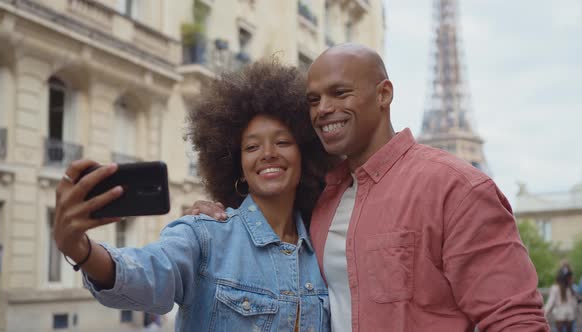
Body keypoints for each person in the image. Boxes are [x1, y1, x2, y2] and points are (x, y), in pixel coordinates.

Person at [188, 43, 549, 331]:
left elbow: (514, 319)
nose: (323, 109)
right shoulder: (321, 198)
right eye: (313, 100)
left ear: (384, 94)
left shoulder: (455, 188)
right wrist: (219, 212)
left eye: (339, 93)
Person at [53, 60, 335, 331]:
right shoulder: (204, 235)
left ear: (306, 156)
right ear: (237, 167)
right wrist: (81, 250)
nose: (268, 153)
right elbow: (147, 272)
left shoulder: (325, 248)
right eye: (251, 147)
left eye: (283, 142)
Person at [545, 268, 578, 332]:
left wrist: (544, 313)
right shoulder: (571, 288)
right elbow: (574, 303)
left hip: (559, 315)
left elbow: (550, 303)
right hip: (570, 315)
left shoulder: (555, 288)